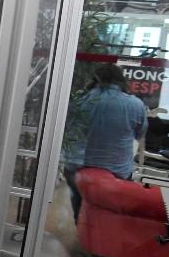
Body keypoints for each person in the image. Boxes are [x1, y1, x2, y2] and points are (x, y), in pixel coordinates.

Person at [62, 63, 147, 222]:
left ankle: (79, 224)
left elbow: (65, 127)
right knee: (112, 203)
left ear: (95, 79)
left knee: (78, 195)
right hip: (117, 172)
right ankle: (105, 227)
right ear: (121, 81)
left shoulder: (79, 100)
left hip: (76, 168)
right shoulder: (136, 104)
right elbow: (140, 133)